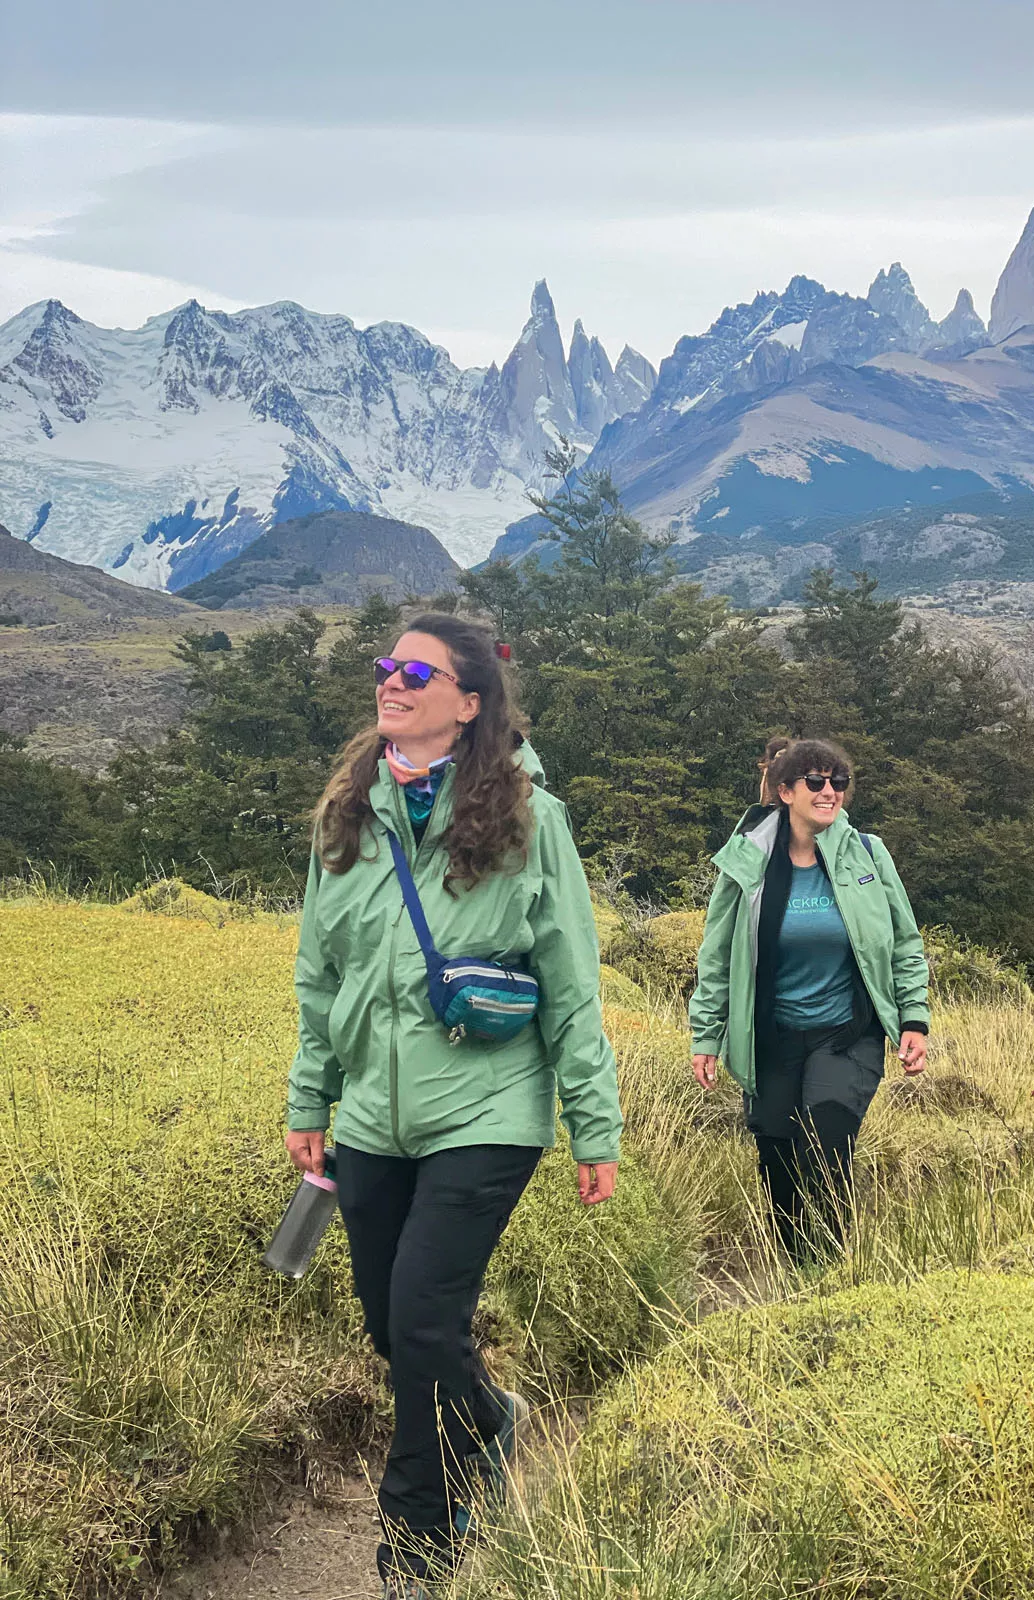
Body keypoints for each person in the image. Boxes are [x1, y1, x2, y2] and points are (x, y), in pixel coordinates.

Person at [284, 613, 621, 1596]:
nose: (390, 682)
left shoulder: (530, 820)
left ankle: (419, 1543)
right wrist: (314, 1094)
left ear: (468, 703)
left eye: (415, 673)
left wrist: (591, 1122)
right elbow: (320, 972)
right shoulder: (344, 813)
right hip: (374, 1122)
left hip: (489, 1108)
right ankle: (486, 1417)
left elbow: (569, 981)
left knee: (424, 1324)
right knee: (395, 1327)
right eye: (385, 667)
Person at [689, 737, 929, 1261]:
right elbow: (717, 953)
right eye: (816, 782)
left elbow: (905, 941)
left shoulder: (867, 853)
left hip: (847, 1032)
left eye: (837, 783)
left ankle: (828, 1272)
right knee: (776, 1157)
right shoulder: (748, 859)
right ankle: (794, 1270)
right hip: (772, 1036)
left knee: (825, 1142)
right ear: (785, 791)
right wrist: (707, 1034)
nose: (829, 792)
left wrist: (914, 1018)